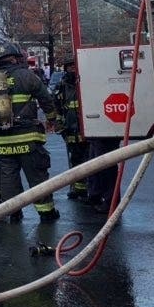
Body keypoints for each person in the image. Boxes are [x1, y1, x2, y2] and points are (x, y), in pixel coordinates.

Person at [0, 42, 60, 223]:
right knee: (37, 177)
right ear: (15, 58)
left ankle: (13, 213)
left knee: (8, 178)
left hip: (2, 141)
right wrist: (52, 119)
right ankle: (46, 213)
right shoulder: (27, 76)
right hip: (28, 137)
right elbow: (46, 100)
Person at [54, 56, 89, 201]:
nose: (72, 69)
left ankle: (91, 188)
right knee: (75, 160)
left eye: (74, 66)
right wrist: (59, 124)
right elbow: (57, 106)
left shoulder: (85, 82)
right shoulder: (62, 85)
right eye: (69, 67)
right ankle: (79, 188)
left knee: (90, 159)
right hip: (70, 129)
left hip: (85, 128)